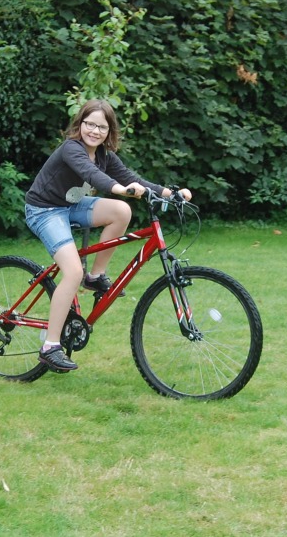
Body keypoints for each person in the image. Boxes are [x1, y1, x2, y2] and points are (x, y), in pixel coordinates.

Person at [24, 99, 192, 372]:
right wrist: (119, 188)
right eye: (90, 124)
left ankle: (96, 277)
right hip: (45, 210)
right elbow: (91, 175)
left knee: (120, 212)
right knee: (72, 272)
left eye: (102, 127)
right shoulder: (71, 149)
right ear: (80, 125)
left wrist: (169, 194)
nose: (95, 131)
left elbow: (130, 176)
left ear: (109, 131)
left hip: (72, 206)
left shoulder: (104, 155)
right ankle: (50, 346)